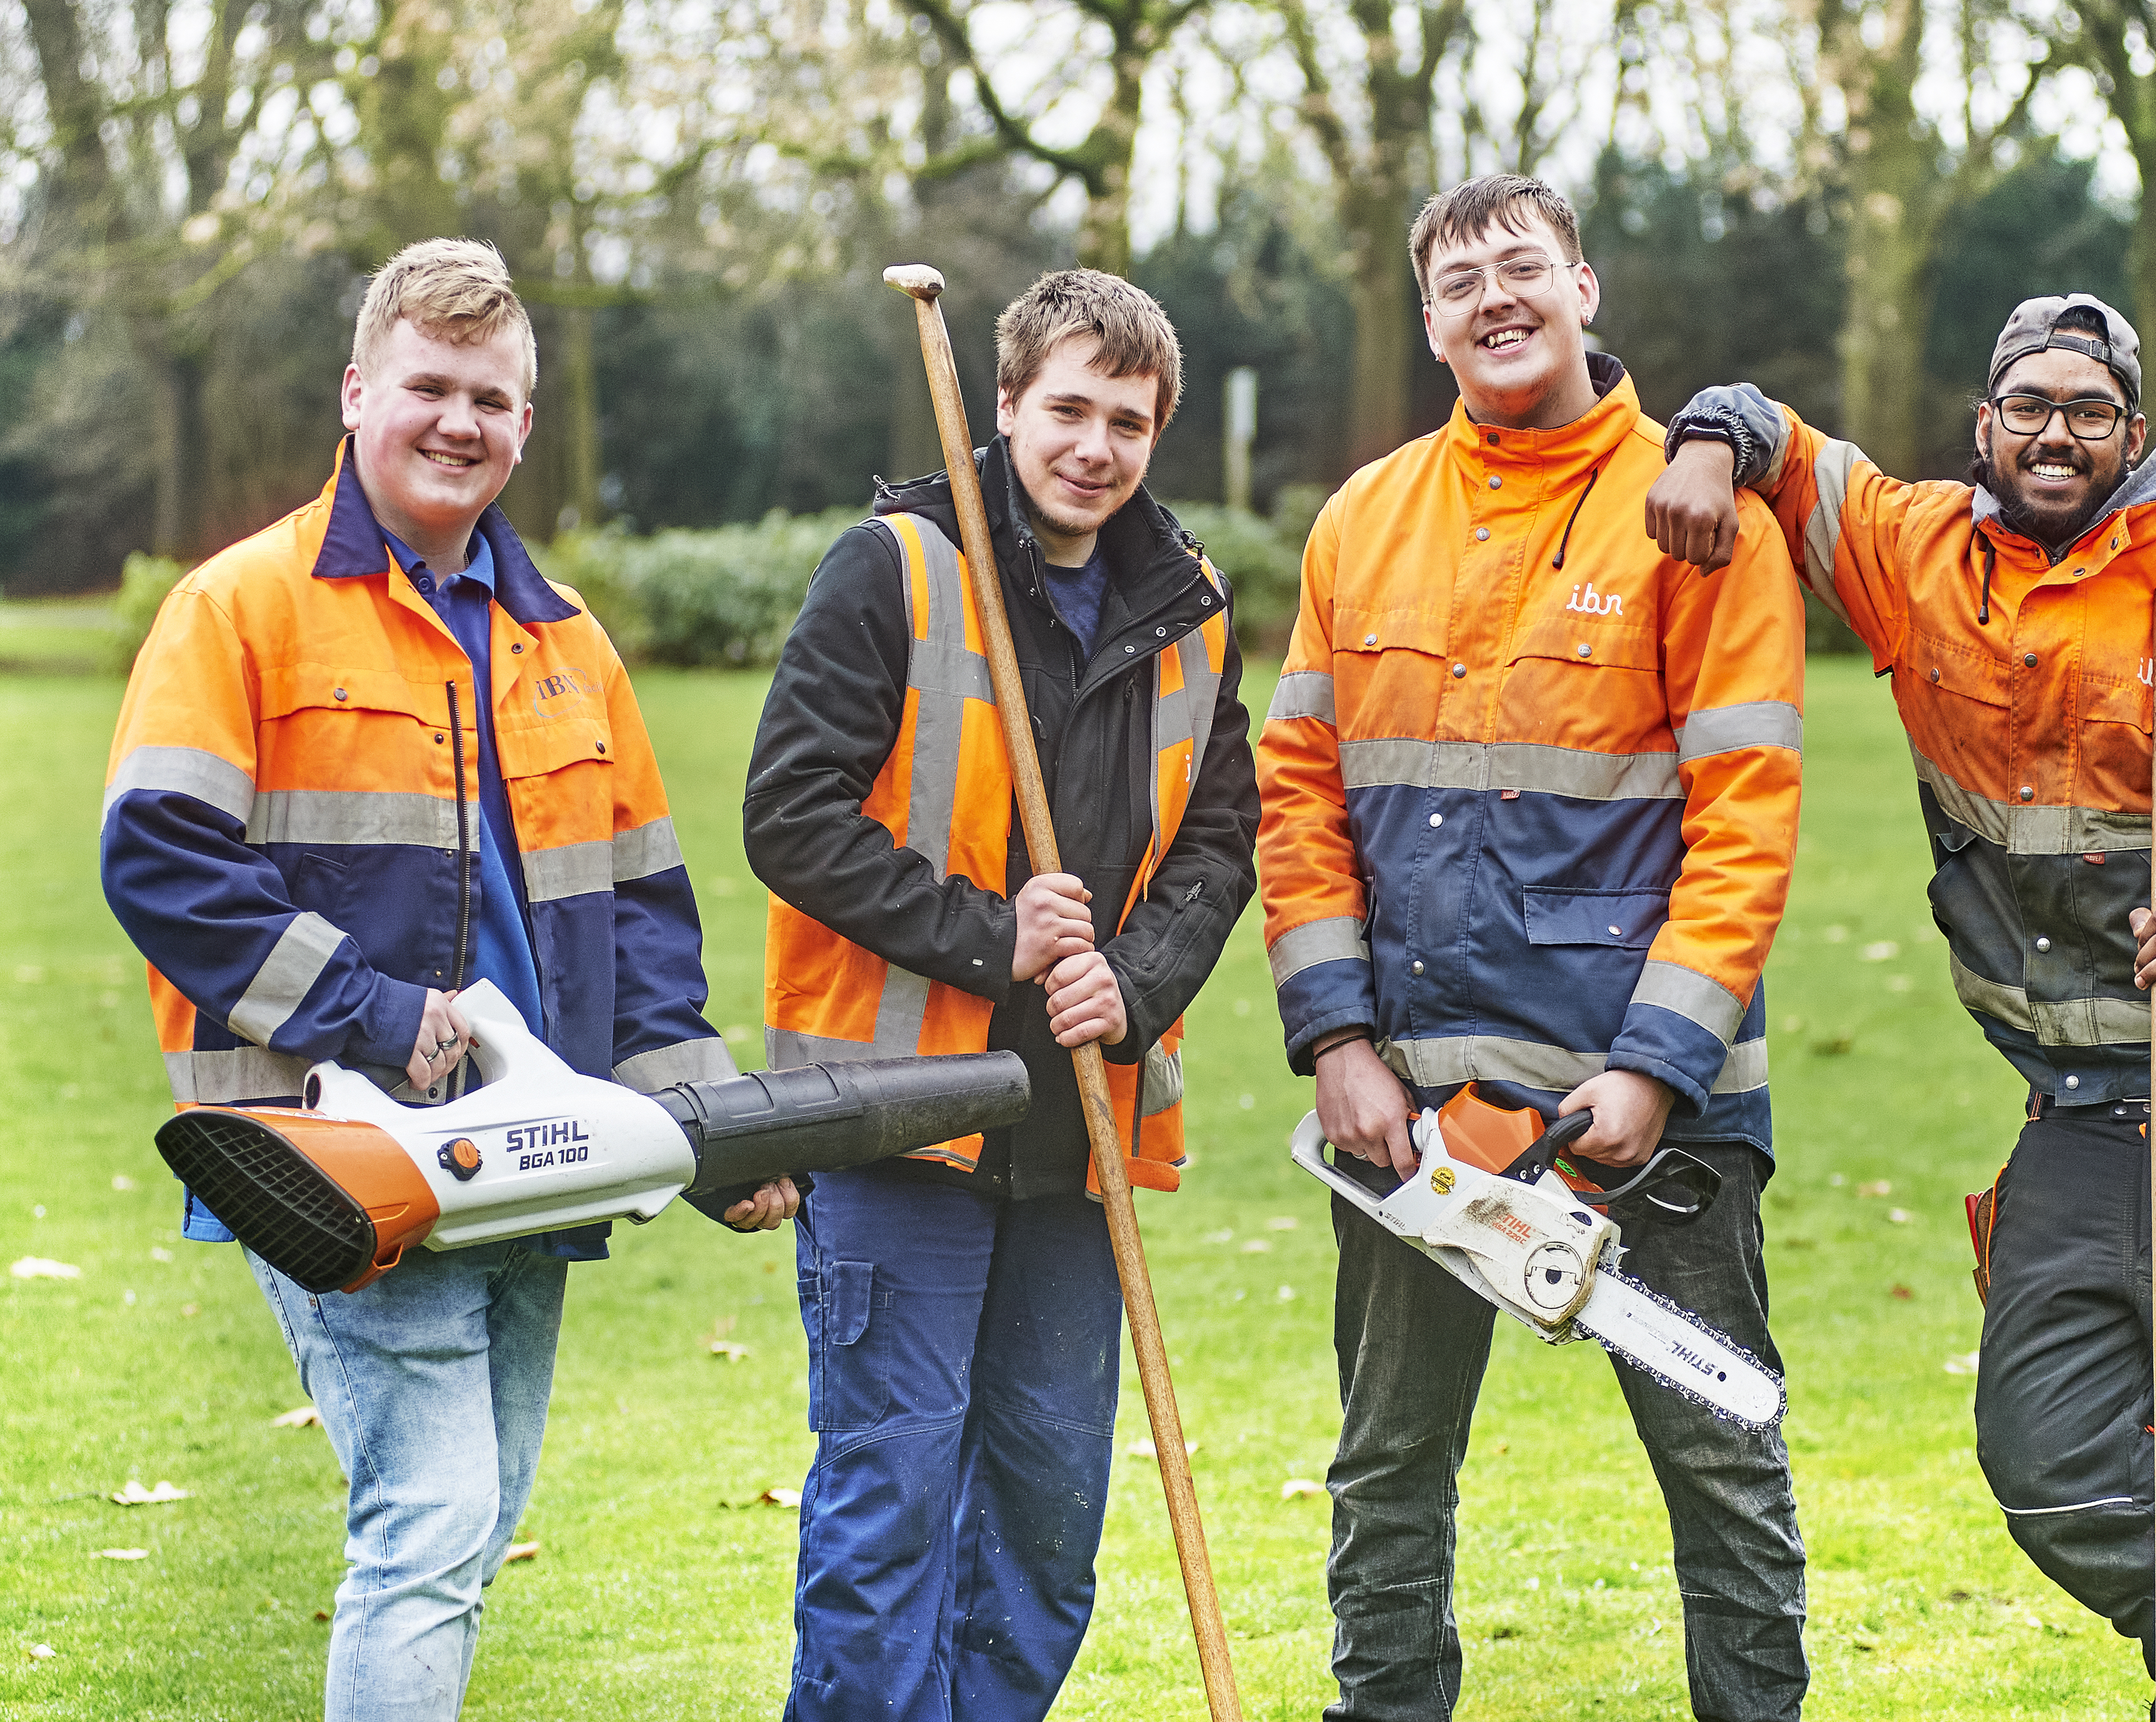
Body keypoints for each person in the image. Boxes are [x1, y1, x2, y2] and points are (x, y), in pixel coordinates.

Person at [1641, 294, 2156, 1720]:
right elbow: (1784, 443)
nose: (2054, 432)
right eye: (2026, 404)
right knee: (2046, 1458)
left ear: (2133, 435)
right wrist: (1709, 444)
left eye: (2088, 410)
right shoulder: (1915, 552)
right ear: (1982, 423)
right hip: (2075, 1109)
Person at [100, 238, 792, 1722]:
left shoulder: (568, 638)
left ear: (526, 425)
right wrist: (369, 1011)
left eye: (491, 396)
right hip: (334, 1146)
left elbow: (646, 921)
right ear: (359, 393)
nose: (459, 421)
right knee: (430, 1522)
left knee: (467, 1525)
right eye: (429, 385)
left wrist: (706, 1124)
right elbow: (161, 858)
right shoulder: (242, 608)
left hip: (531, 1151)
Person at [1257, 174, 1812, 1722]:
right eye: (1457, 279)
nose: (1492, 296)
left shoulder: (1694, 514)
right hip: (1410, 1099)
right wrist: (1337, 1042)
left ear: (1584, 286)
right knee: (1385, 1472)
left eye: (1521, 265)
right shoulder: (1361, 519)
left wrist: (1655, 1069)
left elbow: (1746, 810)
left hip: (1647, 1112)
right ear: (1429, 322)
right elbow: (1296, 799)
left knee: (1720, 1463)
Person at [745, 267, 1260, 1722]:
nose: (1094, 446)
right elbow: (789, 815)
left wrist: (1135, 982)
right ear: (1008, 400)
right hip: (896, 1117)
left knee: (1047, 1523)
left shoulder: (1193, 605)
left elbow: (1222, 843)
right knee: (888, 1507)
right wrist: (993, 934)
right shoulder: (898, 564)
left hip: (1078, 1131)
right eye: (1069, 410)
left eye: (1129, 421)